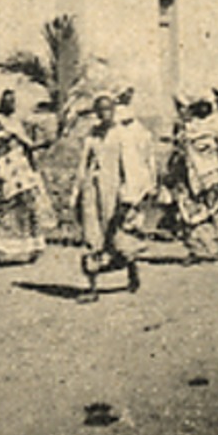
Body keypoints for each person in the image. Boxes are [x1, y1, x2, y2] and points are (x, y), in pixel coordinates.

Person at [74, 93, 155, 301]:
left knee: (118, 237)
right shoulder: (92, 134)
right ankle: (92, 288)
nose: (104, 113)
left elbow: (129, 166)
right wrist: (77, 191)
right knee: (92, 236)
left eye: (108, 109)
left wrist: (128, 195)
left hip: (114, 191)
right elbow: (84, 163)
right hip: (92, 191)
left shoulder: (121, 135)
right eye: (100, 110)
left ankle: (132, 270)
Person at [0, 89, 56, 267]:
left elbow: (28, 146)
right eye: (8, 101)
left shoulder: (16, 123)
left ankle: (30, 249)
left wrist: (40, 145)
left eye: (13, 101)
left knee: (25, 209)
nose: (12, 105)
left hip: (18, 175)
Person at [170, 93, 218, 263]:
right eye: (199, 105)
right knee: (190, 211)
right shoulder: (187, 126)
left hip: (213, 173)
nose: (203, 108)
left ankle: (214, 248)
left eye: (206, 104)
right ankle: (197, 250)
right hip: (191, 174)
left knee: (215, 212)